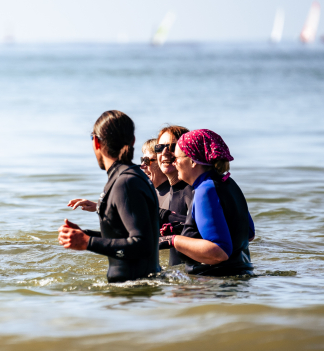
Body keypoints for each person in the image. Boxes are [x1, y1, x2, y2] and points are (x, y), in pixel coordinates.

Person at [59, 110, 159, 283]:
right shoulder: (132, 176)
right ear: (133, 140)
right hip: (138, 294)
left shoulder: (125, 182)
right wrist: (85, 235)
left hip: (132, 293)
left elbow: (142, 246)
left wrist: (88, 243)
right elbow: (125, 238)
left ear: (96, 142)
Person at [165, 129, 255, 276]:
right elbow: (248, 234)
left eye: (176, 158)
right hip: (241, 278)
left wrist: (172, 240)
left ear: (193, 161)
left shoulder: (204, 190)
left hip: (214, 284)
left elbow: (220, 253)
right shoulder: (229, 183)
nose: (174, 163)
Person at [148, 125, 194, 267]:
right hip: (182, 280)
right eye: (160, 147)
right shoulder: (173, 190)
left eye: (172, 147)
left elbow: (202, 227)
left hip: (201, 282)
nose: (165, 152)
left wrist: (160, 214)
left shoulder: (192, 190)